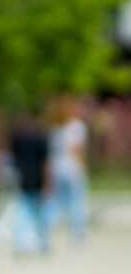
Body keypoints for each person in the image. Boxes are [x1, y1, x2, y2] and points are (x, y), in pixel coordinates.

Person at [44, 95, 89, 242]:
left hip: (57, 167)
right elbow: (77, 149)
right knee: (76, 201)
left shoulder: (55, 128)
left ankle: (46, 227)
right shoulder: (76, 126)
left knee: (56, 201)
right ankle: (77, 232)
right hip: (72, 167)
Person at [9, 113, 51, 255]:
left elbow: (16, 160)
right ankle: (42, 241)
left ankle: (21, 242)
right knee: (39, 213)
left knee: (24, 212)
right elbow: (45, 163)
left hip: (24, 178)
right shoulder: (41, 138)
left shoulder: (20, 138)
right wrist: (47, 183)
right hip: (37, 179)